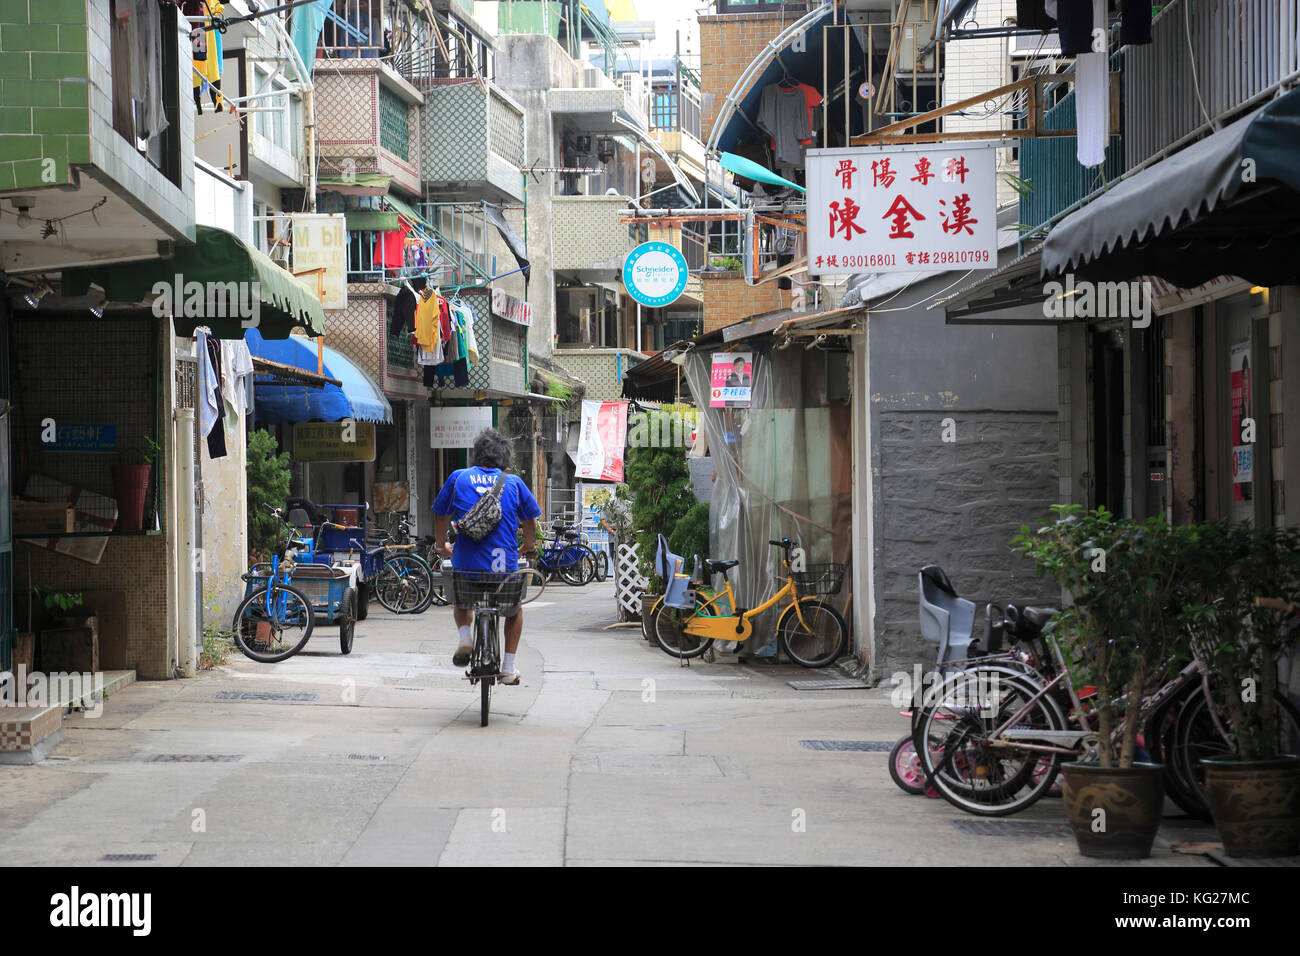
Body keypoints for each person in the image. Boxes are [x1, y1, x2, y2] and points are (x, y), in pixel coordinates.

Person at [432, 428, 541, 684]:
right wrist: (528, 545)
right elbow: (529, 521)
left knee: (462, 601)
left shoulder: (458, 477)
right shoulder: (513, 483)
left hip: (467, 565)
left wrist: (441, 545)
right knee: (513, 611)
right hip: (503, 569)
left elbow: (441, 515)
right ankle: (508, 668)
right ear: (505, 458)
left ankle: (465, 638)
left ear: (476, 455)